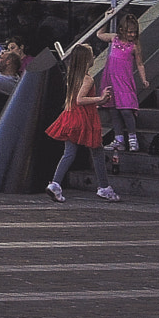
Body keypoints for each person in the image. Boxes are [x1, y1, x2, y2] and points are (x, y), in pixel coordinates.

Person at [46, 43, 119, 202]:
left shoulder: (73, 76)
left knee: (70, 153)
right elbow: (80, 99)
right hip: (83, 118)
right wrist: (100, 99)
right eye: (92, 55)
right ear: (87, 59)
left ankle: (56, 183)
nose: (93, 57)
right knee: (97, 150)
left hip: (71, 116)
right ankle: (104, 187)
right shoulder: (87, 79)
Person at [94, 11, 149, 151]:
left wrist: (144, 79)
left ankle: (132, 137)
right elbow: (99, 34)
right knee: (113, 110)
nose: (132, 35)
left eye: (134, 32)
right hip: (110, 79)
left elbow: (140, 64)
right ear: (122, 30)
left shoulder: (134, 46)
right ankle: (119, 139)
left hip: (124, 81)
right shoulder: (114, 39)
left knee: (125, 110)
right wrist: (107, 18)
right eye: (129, 32)